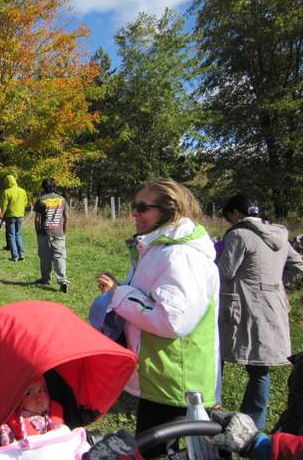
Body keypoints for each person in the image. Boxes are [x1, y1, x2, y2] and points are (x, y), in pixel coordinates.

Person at [94, 178, 220, 457]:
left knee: (157, 452)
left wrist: (120, 295)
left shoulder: (181, 255)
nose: (134, 213)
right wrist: (122, 291)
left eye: (142, 207)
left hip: (177, 377)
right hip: (162, 372)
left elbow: (173, 320)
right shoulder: (160, 249)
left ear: (170, 210)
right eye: (133, 206)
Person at [218, 194, 303, 429]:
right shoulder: (280, 236)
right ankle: (254, 420)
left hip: (241, 305)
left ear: (236, 214)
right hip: (271, 304)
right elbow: (298, 265)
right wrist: (276, 283)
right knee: (260, 366)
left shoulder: (239, 234)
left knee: (218, 355)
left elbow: (225, 272)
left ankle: (208, 406)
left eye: (229, 217)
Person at [0, 377, 65, 446]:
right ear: (17, 400)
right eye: (28, 394)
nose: (38, 398)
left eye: (40, 391)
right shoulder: (17, 418)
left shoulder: (50, 414)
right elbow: (7, 442)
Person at [34, 177, 69, 292]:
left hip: (45, 232)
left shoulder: (41, 200)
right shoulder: (62, 200)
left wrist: (38, 231)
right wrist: (64, 231)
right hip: (59, 232)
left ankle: (46, 279)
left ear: (43, 187)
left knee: (45, 257)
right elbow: (66, 217)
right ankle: (63, 280)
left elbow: (38, 219)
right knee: (59, 257)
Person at [0, 174, 28, 262]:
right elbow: (25, 203)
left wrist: (1, 217)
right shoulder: (22, 191)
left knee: (11, 235)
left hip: (10, 216)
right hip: (20, 215)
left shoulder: (6, 192)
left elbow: (3, 207)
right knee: (18, 234)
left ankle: (15, 256)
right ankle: (21, 253)